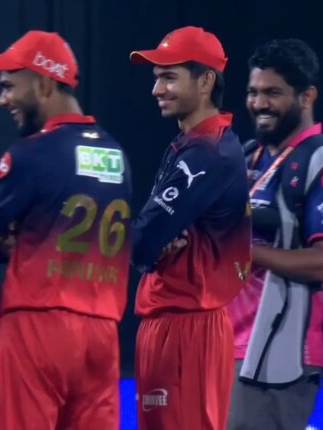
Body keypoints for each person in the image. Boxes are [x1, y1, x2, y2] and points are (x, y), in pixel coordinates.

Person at [0, 30, 132, 429]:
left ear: (44, 83)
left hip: (37, 326)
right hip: (102, 334)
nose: (2, 100)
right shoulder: (115, 154)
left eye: (9, 86)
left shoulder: (31, 152)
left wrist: (3, 244)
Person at [129, 26, 252, 429]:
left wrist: (150, 245)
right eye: (156, 78)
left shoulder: (206, 152)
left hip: (187, 328)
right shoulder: (197, 144)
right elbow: (149, 238)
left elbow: (142, 241)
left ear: (205, 81)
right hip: (181, 322)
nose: (156, 90)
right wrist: (153, 242)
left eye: (168, 77)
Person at [227, 39, 323, 430]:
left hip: (280, 353)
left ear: (306, 96)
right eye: (253, 92)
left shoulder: (317, 158)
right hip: (226, 340)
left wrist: (245, 252)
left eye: (272, 93)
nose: (259, 103)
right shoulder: (249, 153)